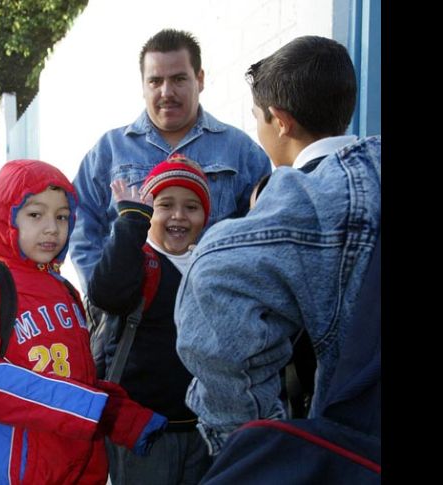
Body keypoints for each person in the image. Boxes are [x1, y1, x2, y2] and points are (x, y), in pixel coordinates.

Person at [173, 35, 380, 456]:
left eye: (258, 117)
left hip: (353, 446)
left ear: (280, 121)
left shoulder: (305, 198)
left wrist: (260, 448)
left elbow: (213, 276)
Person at [0, 159, 168, 484]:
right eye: (35, 214)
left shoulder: (65, 290)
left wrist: (123, 417)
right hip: (10, 472)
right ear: (7, 215)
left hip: (74, 465)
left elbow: (78, 379)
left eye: (62, 216)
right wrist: (83, 406)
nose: (52, 228)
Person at [70, 28, 271, 291]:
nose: (166, 92)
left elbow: (263, 232)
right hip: (134, 324)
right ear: (143, 85)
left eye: (178, 79)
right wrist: (104, 295)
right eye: (155, 81)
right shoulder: (109, 150)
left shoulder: (240, 151)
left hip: (213, 315)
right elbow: (80, 227)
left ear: (199, 79)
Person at [87, 155, 213, 484]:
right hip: (143, 428)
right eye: (165, 205)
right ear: (148, 212)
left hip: (201, 427)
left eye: (191, 207)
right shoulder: (140, 260)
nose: (178, 216)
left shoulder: (210, 265)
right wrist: (129, 224)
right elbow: (107, 293)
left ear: (204, 216)